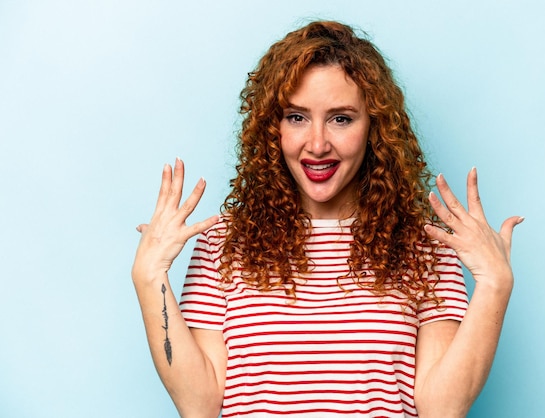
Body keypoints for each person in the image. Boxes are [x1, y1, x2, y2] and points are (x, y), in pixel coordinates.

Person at [132, 20, 523, 418]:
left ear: (374, 127)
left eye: (341, 118)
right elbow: (198, 405)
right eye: (297, 117)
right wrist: (150, 278)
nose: (317, 145)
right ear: (273, 128)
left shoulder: (423, 247)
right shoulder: (223, 245)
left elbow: (443, 408)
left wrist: (494, 285)